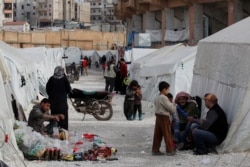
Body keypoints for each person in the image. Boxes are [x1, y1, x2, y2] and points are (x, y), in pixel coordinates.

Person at [152, 81, 176, 156]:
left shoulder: (157, 97)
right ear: (164, 89)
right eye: (168, 89)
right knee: (167, 133)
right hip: (164, 117)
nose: (168, 91)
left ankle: (155, 149)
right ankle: (169, 150)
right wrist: (173, 106)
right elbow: (171, 108)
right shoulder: (164, 98)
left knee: (158, 134)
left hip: (158, 116)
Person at [46, 66, 72, 130]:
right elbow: (68, 90)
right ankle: (63, 133)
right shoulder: (64, 79)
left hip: (53, 103)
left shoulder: (51, 79)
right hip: (62, 103)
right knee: (63, 118)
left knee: (54, 117)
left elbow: (47, 89)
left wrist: (52, 96)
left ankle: (54, 131)